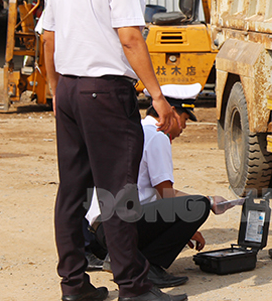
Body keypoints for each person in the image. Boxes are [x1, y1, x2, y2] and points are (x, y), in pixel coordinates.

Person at [42, 0, 183, 301]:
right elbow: (130, 38)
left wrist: (57, 91)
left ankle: (74, 286)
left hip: (70, 88)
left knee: (72, 191)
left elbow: (49, 41)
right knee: (118, 191)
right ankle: (133, 288)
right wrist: (157, 95)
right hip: (104, 92)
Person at [87, 83, 231, 288]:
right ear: (171, 112)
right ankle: (146, 266)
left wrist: (185, 227)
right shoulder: (157, 136)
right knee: (198, 206)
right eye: (184, 119)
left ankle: (123, 257)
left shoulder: (133, 129)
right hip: (122, 228)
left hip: (103, 232)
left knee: (191, 206)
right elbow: (166, 194)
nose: (183, 127)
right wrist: (208, 202)